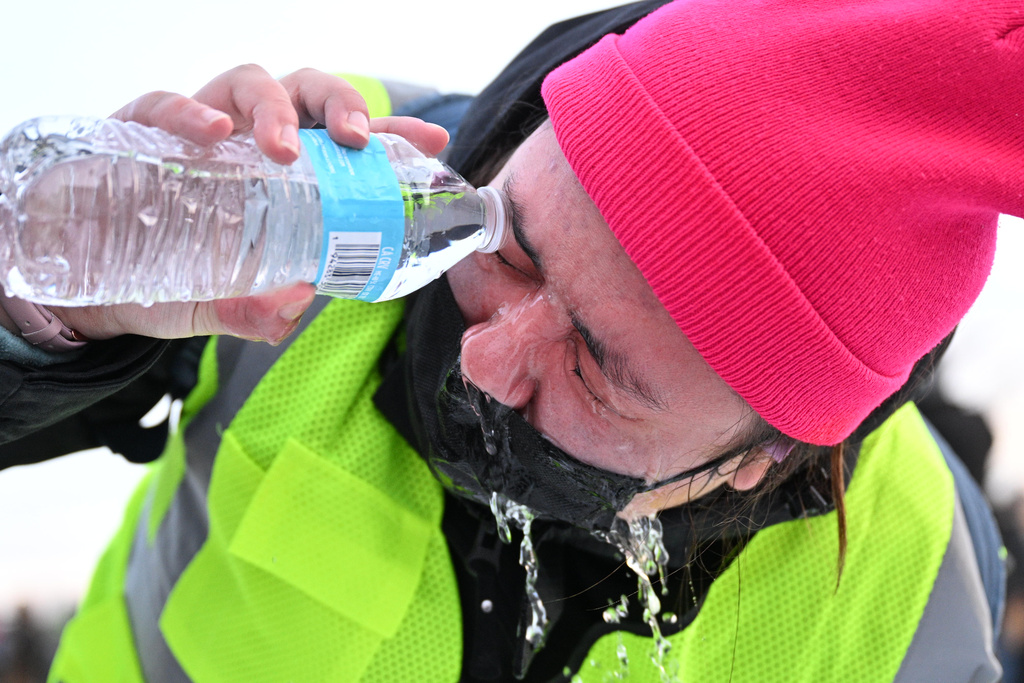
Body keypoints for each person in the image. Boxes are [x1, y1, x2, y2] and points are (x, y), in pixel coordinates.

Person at [0, 0, 1015, 680]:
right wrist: (53, 317)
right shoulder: (337, 206)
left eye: (597, 370)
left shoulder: (915, 584)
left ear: (758, 459)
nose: (486, 355)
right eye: (513, 249)